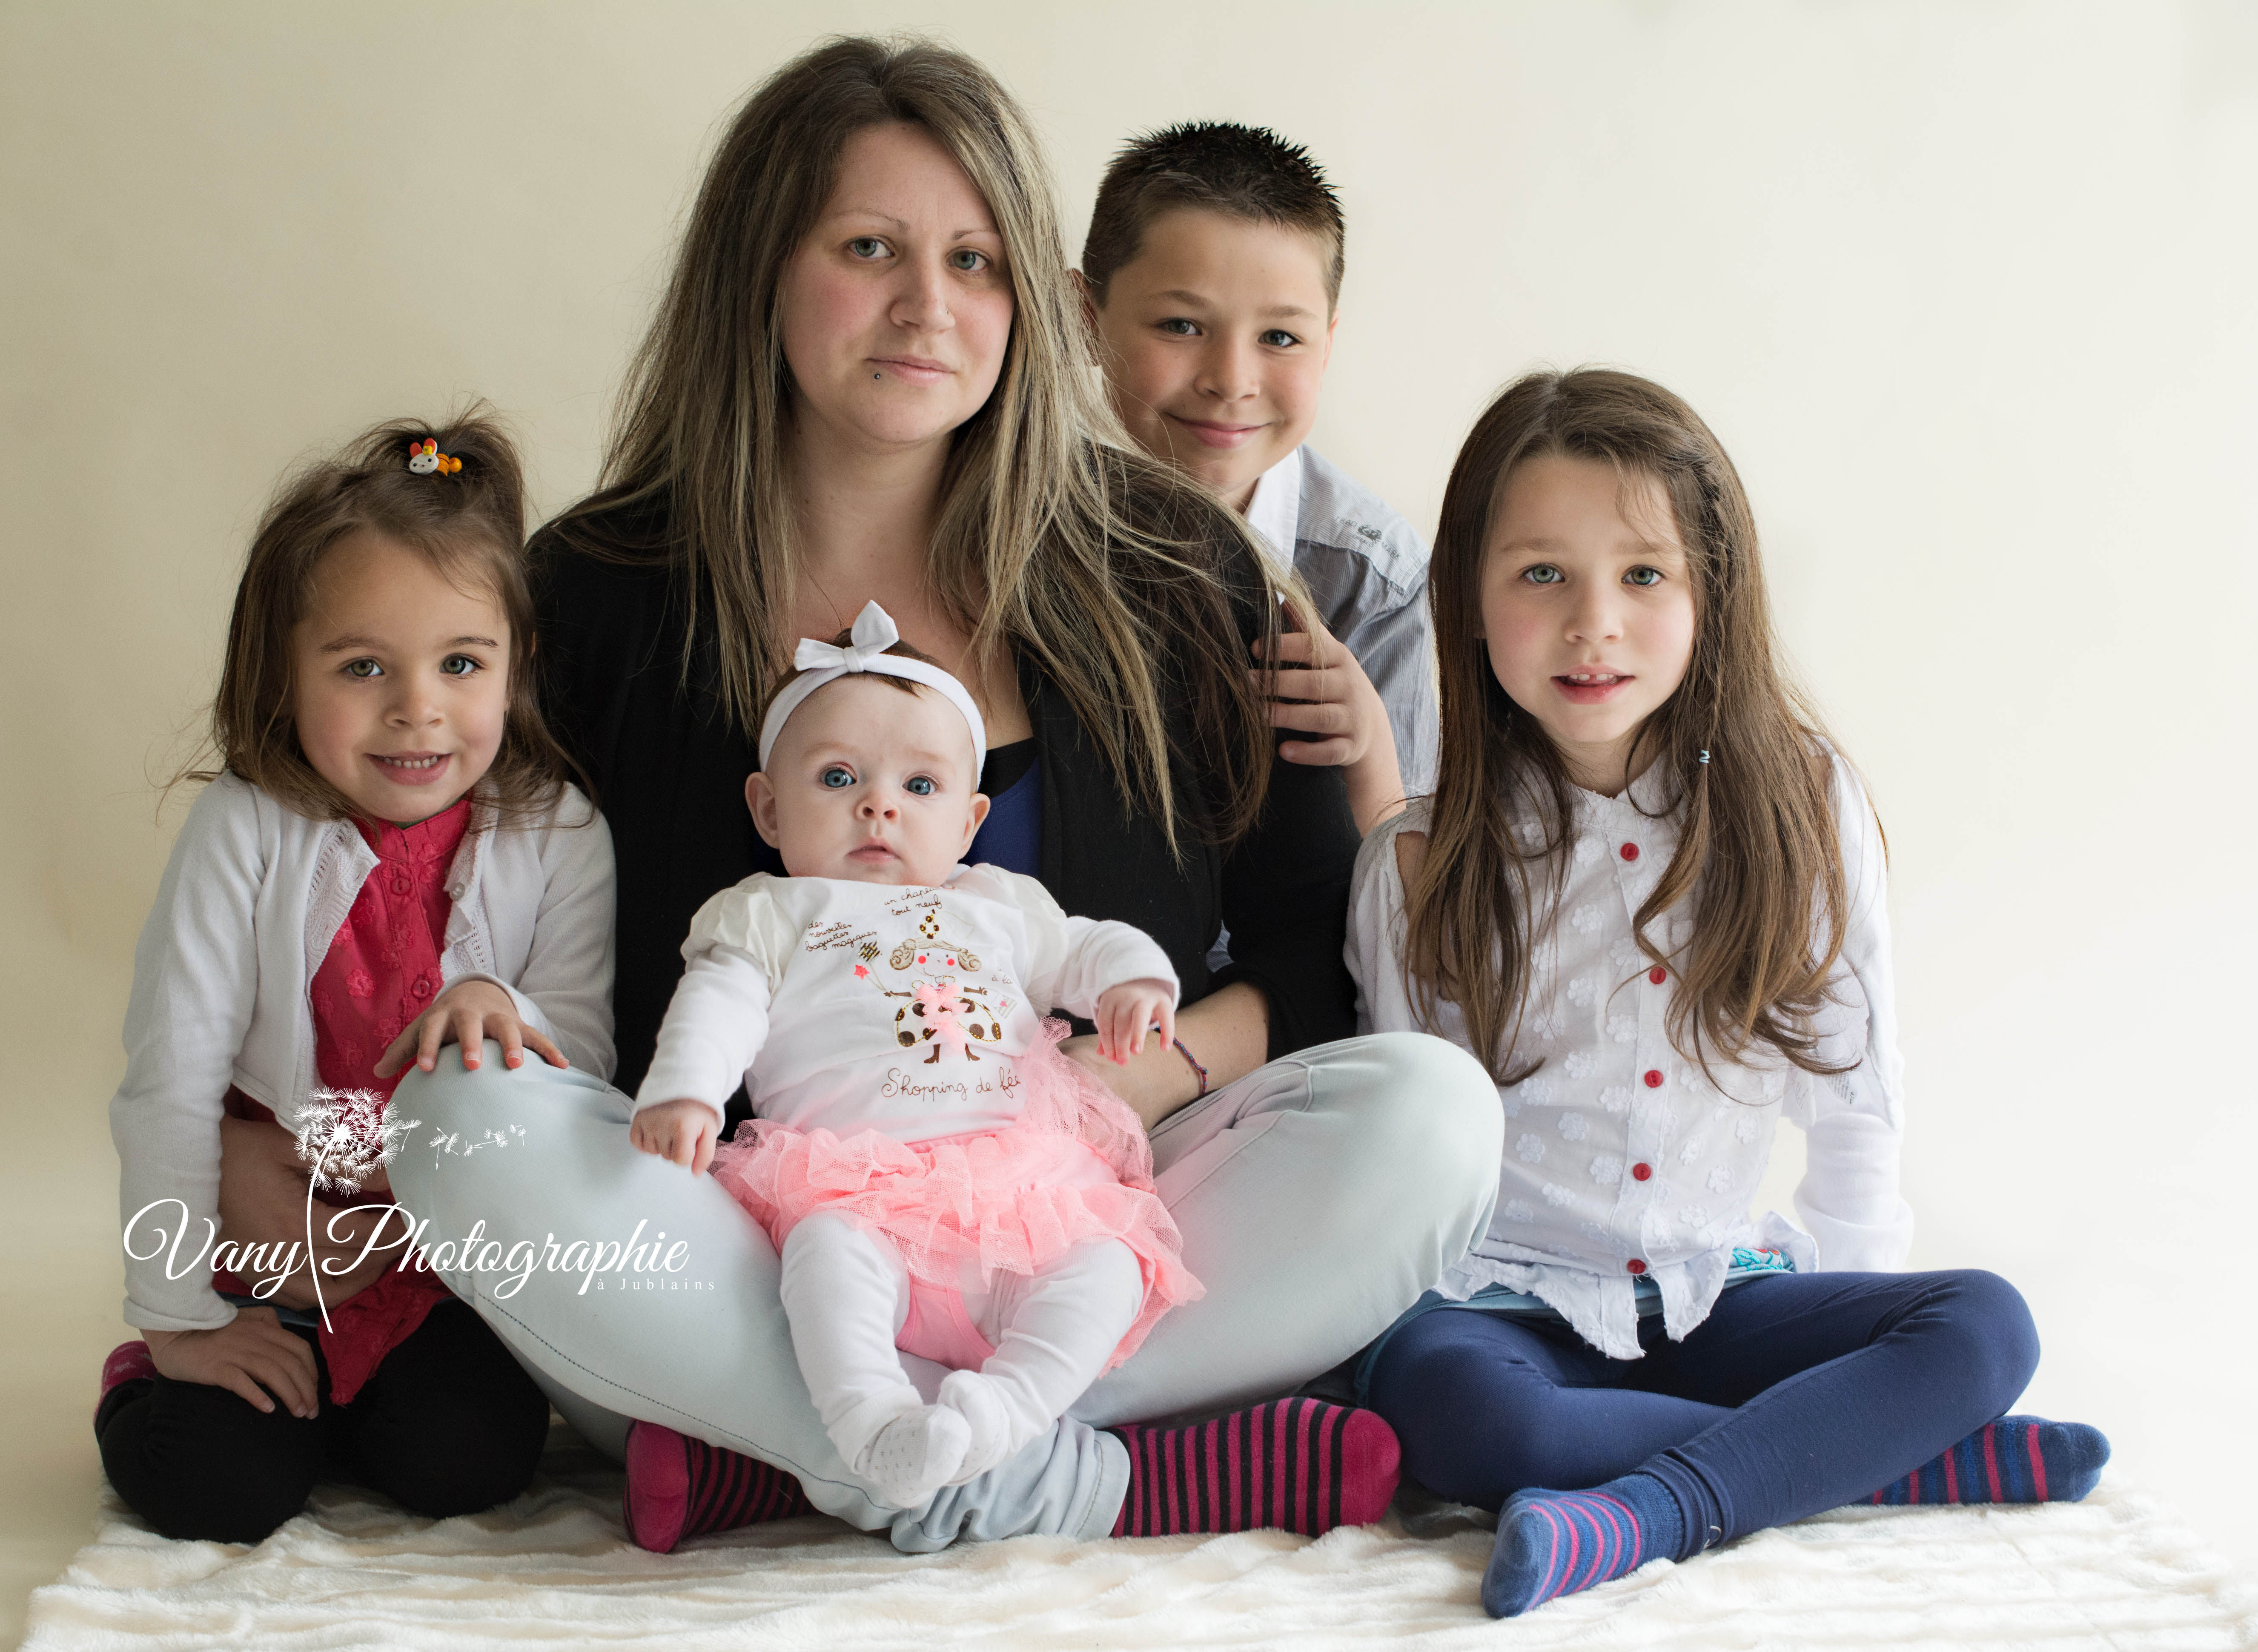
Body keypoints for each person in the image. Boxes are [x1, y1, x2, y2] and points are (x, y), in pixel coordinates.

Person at [214, 39, 1506, 1555]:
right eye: (870, 249)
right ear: (760, 269)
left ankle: (812, 1462)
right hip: (739, 1256)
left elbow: (1316, 947)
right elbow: (416, 884)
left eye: (973, 260)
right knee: (461, 1125)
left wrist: (1144, 1076)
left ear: (1032, 298)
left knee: (1433, 1115)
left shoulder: (1179, 574)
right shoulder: (589, 593)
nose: (927, 308)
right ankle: (1085, 1470)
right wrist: (386, 1057)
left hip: (1076, 1218)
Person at [1346, 368, 2109, 1617]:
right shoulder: (1417, 860)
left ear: (1713, 594)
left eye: (1644, 576)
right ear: (1470, 601)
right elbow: (1410, 1161)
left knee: (1986, 1326)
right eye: (1542, 574)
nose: (1594, 623)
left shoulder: (1802, 803)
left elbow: (1857, 1097)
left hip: (1716, 1291)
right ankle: (1864, 1455)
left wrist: (1857, 1303)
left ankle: (1654, 1507)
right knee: (1462, 1418)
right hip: (1508, 1305)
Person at [97, 413, 615, 1542]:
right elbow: (170, 1083)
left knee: (470, 1464)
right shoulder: (247, 829)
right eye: (363, 665)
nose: (417, 706)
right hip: (263, 1246)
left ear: (515, 666)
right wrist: (181, 1318)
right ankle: (167, 1374)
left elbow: (588, 1051)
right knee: (212, 1484)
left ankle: (356, 1396)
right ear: (283, 674)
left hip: (426, 1262)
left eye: (461, 664)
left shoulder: (561, 830)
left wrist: (507, 1013)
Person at [627, 605, 1225, 1518]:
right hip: (856, 1191)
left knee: (1107, 1262)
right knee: (826, 1263)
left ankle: (1004, 1412)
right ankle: (875, 1425)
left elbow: (1086, 943)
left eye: (919, 784)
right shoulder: (772, 912)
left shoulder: (997, 904)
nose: (879, 804)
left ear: (969, 819)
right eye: (838, 777)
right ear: (768, 807)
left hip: (1018, 1196)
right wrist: (687, 1089)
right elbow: (721, 1003)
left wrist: (1136, 978)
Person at [1080, 121, 1436, 832]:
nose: (1232, 381)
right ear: (1085, 319)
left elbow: (1402, 883)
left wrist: (1366, 748)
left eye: (1280, 338)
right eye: (1182, 325)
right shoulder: (1016, 521)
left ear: (1327, 346)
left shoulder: (1373, 578)